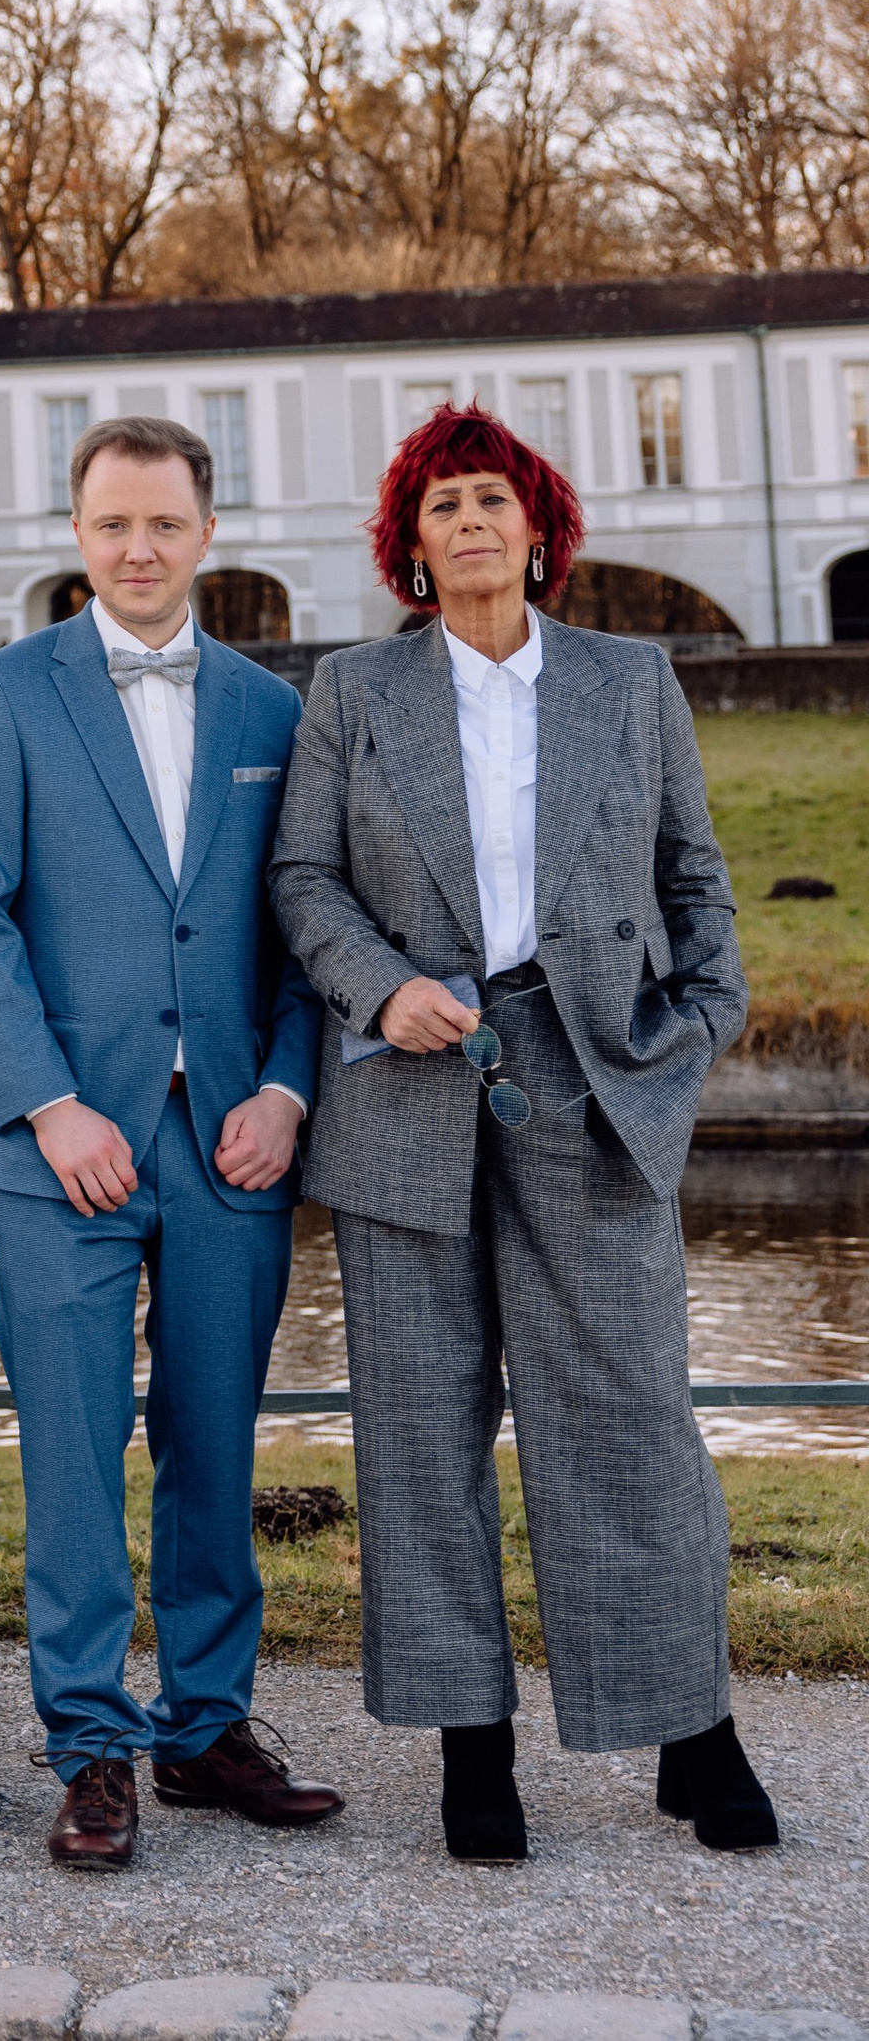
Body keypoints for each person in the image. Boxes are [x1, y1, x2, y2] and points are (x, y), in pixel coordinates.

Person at [270, 401, 773, 1862]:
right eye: (442, 505)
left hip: (596, 1076)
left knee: (629, 1419)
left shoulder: (630, 677)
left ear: (539, 528)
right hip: (406, 1082)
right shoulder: (354, 688)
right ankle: (469, 1744)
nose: (471, 521)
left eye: (493, 497)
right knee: (421, 1428)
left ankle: (691, 1731)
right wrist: (383, 986)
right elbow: (303, 879)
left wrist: (693, 1032)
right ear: (411, 548)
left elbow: (693, 877)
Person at [0, 414, 339, 1873]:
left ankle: (207, 1725)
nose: (139, 547)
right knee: (72, 1455)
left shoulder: (272, 709)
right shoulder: (3, 691)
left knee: (214, 1445)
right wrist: (48, 1101)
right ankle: (92, 1744)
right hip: (61, 1145)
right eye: (112, 523)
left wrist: (286, 1089)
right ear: (77, 533)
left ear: (206, 531)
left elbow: (309, 918)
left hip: (231, 1139)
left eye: (164, 522)